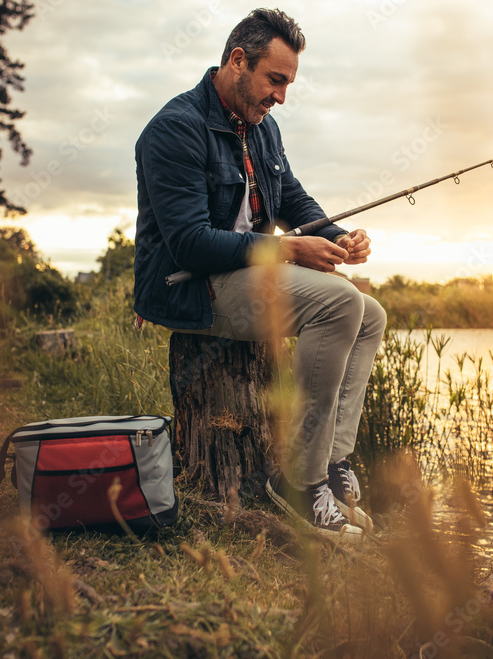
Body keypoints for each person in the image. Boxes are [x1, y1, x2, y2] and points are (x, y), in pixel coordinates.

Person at [134, 9, 386, 541]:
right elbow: (189, 244)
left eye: (288, 83)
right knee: (340, 304)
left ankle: (332, 464)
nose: (282, 97)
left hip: (240, 278)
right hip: (192, 286)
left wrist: (339, 236)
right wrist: (286, 249)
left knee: (371, 313)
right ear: (237, 61)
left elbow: (292, 197)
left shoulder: (263, 130)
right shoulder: (174, 129)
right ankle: (300, 479)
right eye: (276, 80)